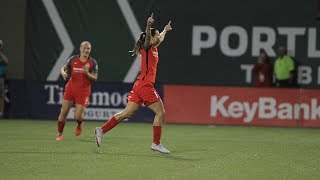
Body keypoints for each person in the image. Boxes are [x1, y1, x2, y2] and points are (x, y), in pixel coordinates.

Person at [94, 13, 172, 154]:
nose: (158, 38)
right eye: (156, 37)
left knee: (126, 113)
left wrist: (165, 30)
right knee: (161, 113)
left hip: (139, 85)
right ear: (150, 38)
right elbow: (149, 37)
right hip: (145, 85)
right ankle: (156, 143)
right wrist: (148, 25)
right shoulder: (147, 46)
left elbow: (159, 37)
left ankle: (101, 130)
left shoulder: (154, 47)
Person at [56, 41, 98, 140]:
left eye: (88, 49)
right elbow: (63, 68)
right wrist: (62, 72)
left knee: (77, 116)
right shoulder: (73, 59)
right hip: (70, 89)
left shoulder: (93, 62)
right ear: (80, 48)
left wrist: (87, 73)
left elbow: (95, 78)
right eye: (84, 48)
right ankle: (59, 134)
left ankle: (80, 123)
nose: (86, 50)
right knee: (63, 113)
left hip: (83, 92)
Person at [0, 40, 9, 118]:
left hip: (1, 78)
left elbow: (6, 62)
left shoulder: (2, 55)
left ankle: (1, 113)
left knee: (1, 96)